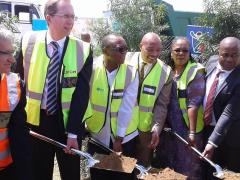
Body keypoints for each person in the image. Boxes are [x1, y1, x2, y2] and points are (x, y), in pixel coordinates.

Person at [15, 0, 93, 179]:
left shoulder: (84, 49)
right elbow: (17, 82)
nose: (71, 21)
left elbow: (81, 95)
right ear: (48, 18)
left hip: (68, 122)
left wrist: (73, 133)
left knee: (70, 174)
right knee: (39, 172)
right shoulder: (28, 41)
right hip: (36, 121)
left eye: (73, 16)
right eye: (66, 16)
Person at [156, 37, 205, 179]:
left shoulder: (195, 71)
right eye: (177, 50)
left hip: (188, 128)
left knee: (189, 167)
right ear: (171, 53)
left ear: (190, 53)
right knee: (171, 166)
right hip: (169, 130)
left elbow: (193, 104)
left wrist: (192, 132)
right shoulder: (168, 72)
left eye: (185, 50)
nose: (181, 53)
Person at [85, 34, 139, 157]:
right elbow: (84, 100)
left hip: (125, 135)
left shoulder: (131, 73)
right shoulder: (91, 69)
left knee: (123, 173)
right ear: (105, 50)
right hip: (97, 133)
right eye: (120, 49)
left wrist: (119, 139)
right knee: (98, 172)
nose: (125, 52)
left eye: (126, 48)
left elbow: (127, 107)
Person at [125, 32, 172, 167]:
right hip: (123, 126)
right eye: (150, 49)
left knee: (142, 166)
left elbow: (162, 105)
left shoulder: (165, 72)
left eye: (158, 50)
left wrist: (156, 127)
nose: (155, 54)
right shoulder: (125, 59)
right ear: (141, 46)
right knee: (123, 165)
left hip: (145, 130)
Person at [202, 37, 240, 175]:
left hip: (230, 138)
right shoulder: (211, 62)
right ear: (219, 52)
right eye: (225, 55)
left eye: (234, 55)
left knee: (227, 174)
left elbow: (228, 114)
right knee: (207, 170)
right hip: (206, 129)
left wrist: (212, 142)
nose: (229, 59)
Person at [0, 28, 32, 180]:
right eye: (6, 53)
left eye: (12, 53)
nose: (12, 60)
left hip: (9, 170)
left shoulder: (16, 85)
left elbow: (20, 134)